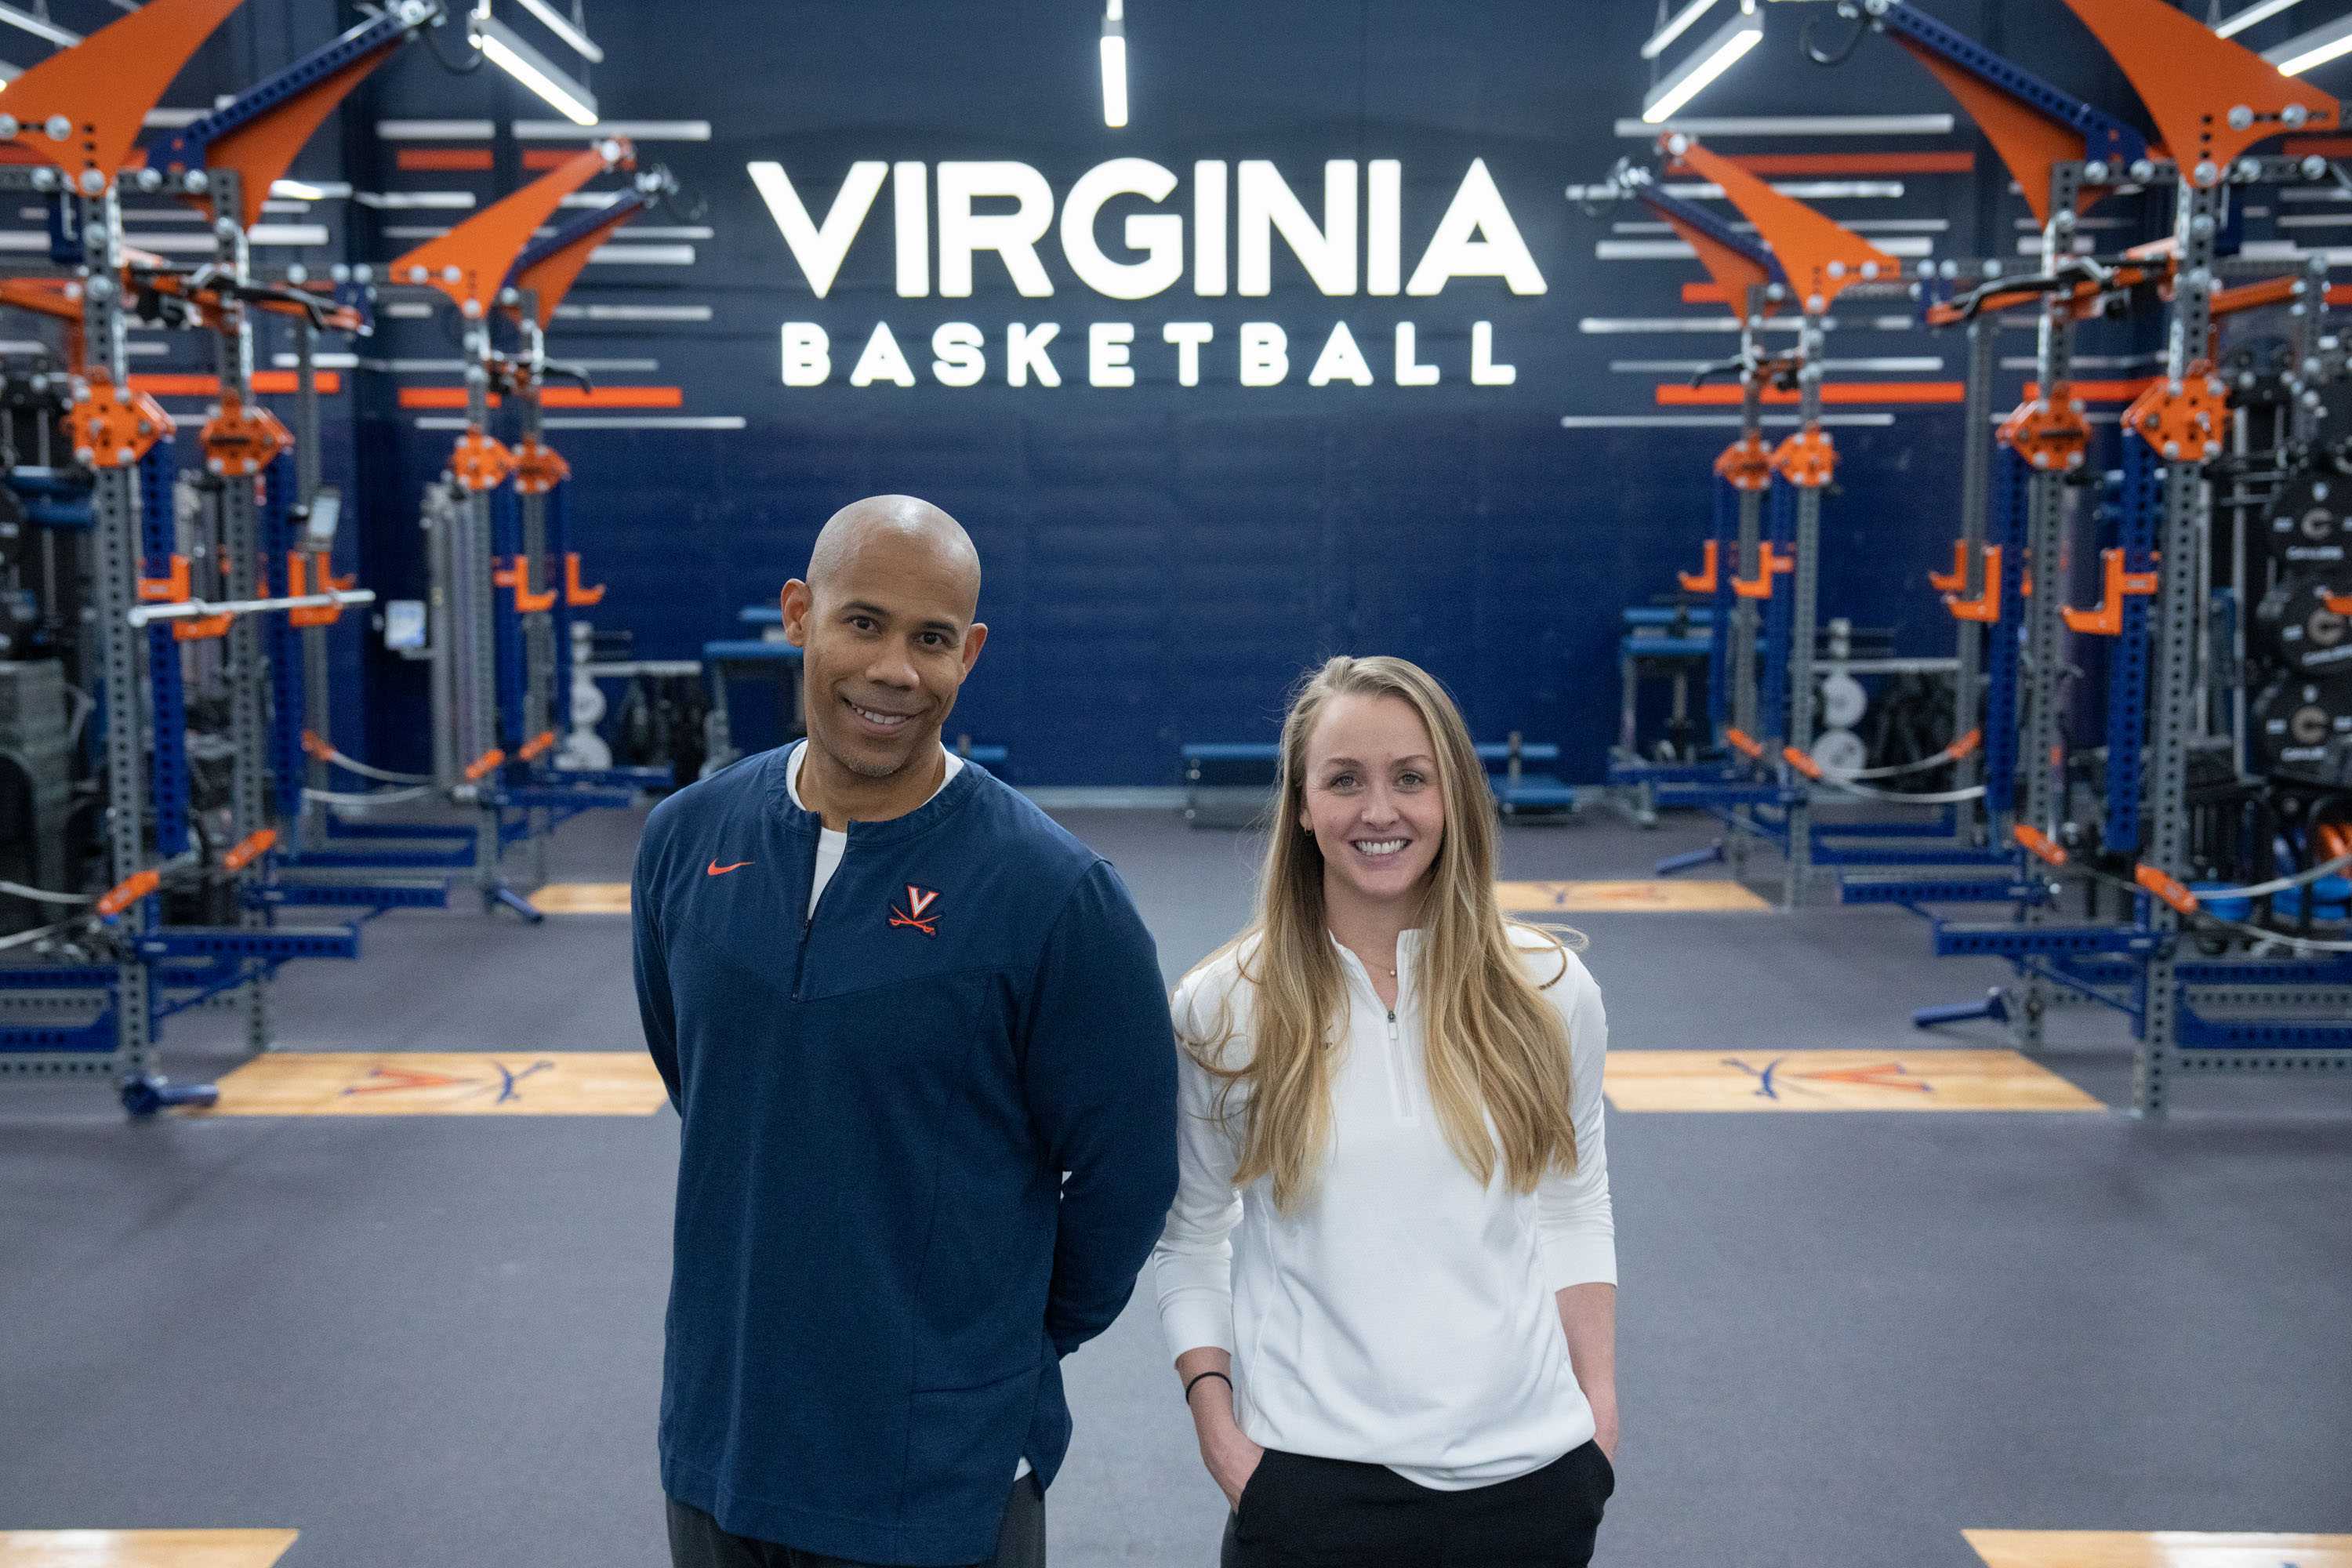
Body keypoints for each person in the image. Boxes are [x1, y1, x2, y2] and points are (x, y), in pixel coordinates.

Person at [633, 494, 1179, 1568]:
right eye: (863, 622)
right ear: (800, 614)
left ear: (969, 654)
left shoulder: (1053, 895)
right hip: (721, 1446)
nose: (894, 669)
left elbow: (1128, 1176)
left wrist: (995, 1346)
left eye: (932, 639)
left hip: (942, 1473)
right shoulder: (684, 842)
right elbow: (705, 1076)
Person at [1152, 655, 1618, 1568]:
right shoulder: (1221, 1006)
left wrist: (1597, 1423)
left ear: (1454, 797)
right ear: (1300, 803)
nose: (1379, 811)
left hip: (1531, 1482)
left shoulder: (1549, 990)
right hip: (1309, 1489)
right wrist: (1222, 1433)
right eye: (1344, 780)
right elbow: (1192, 1234)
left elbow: (1573, 1202)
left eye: (1411, 777)